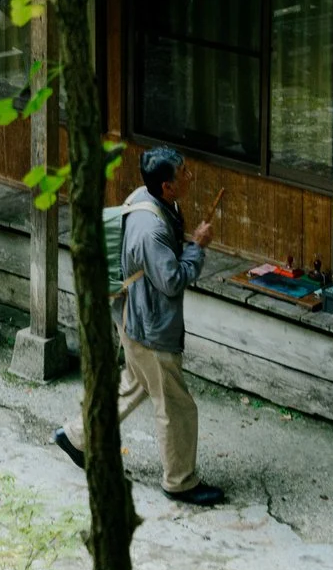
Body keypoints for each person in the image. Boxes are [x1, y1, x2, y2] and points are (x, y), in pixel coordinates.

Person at [54, 145, 227, 507]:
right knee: (176, 404)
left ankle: (76, 437)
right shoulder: (150, 228)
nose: (190, 177)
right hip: (149, 326)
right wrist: (197, 246)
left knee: (133, 386)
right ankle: (180, 481)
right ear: (167, 186)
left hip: (132, 317)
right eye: (184, 173)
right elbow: (172, 280)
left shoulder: (143, 198)